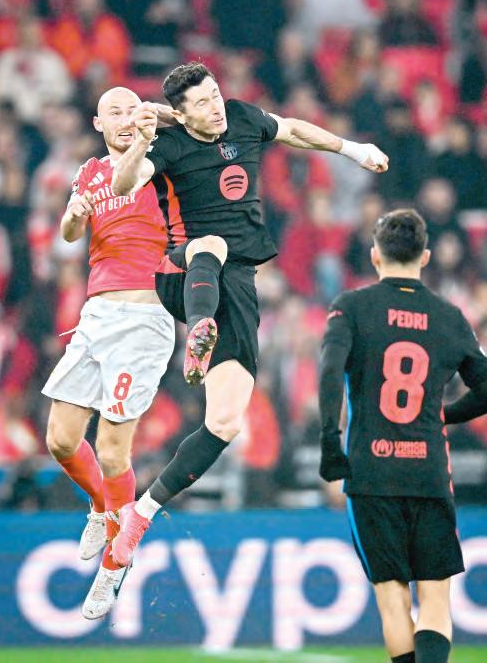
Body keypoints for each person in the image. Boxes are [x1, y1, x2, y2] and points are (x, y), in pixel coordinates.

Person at [108, 60, 388, 568]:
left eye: (215, 94)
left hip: (236, 287)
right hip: (181, 272)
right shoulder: (167, 145)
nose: (215, 107)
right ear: (181, 114)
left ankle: (141, 514)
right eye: (202, 103)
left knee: (225, 423)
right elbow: (125, 184)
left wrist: (354, 150)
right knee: (211, 244)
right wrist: (139, 143)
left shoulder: (241, 117)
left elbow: (294, 130)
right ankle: (199, 331)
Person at [318, 208, 487, 663]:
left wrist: (330, 439)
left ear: (375, 255)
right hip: (428, 471)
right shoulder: (449, 316)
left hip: (370, 474)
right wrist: (444, 415)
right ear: (425, 256)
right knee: (435, 600)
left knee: (393, 600)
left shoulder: (351, 308)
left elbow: (330, 371)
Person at [41, 86, 175, 620]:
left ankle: (115, 565)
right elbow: (69, 233)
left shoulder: (162, 163)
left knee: (114, 452)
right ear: (98, 123)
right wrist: (75, 213)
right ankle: (100, 506)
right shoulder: (91, 172)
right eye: (113, 112)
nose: (124, 119)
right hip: (96, 314)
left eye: (131, 110)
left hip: (144, 316)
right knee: (60, 439)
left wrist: (153, 130)